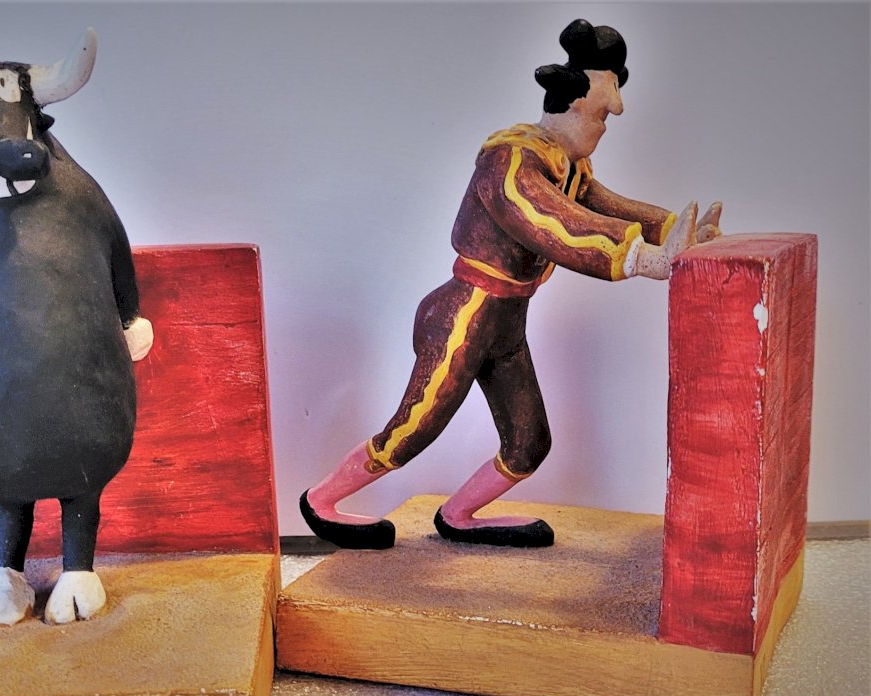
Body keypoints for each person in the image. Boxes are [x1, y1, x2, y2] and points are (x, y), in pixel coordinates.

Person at [301, 19, 722, 550]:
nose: (611, 118)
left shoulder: (568, 165)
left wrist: (673, 229)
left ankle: (458, 515)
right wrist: (641, 257)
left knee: (528, 443)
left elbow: (603, 205)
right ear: (574, 105)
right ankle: (320, 500)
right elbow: (553, 225)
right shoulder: (511, 161)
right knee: (414, 429)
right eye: (602, 112)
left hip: (505, 323)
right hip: (462, 315)